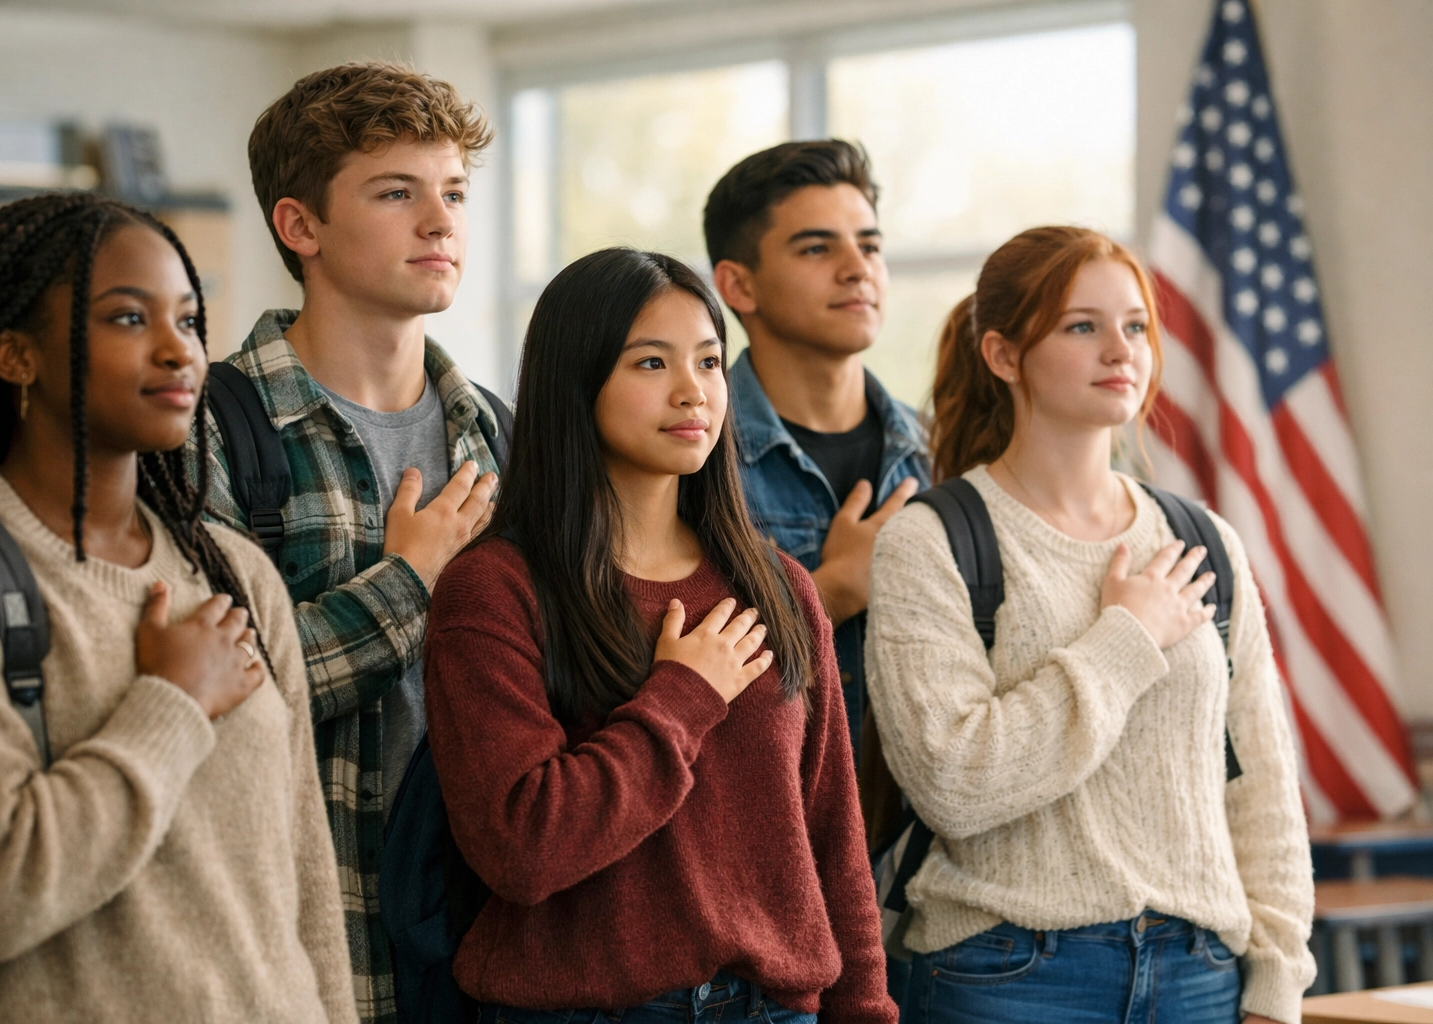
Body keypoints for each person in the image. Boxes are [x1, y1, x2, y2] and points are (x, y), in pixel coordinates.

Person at [0, 193, 354, 1022]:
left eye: (187, 319)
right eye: (126, 319)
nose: (179, 351)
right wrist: (174, 703)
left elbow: (307, 892)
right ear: (14, 355)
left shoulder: (236, 575)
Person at [421, 248, 896, 1024]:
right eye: (651, 362)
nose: (693, 392)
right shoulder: (496, 590)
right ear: (577, 381)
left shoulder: (775, 585)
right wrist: (682, 699)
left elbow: (833, 842)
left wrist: (866, 1012)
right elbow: (523, 847)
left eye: (709, 362)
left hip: (772, 1011)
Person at [865, 226, 1315, 1024]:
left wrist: (1278, 982)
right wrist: (1125, 642)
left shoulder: (1203, 540)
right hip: (1007, 977)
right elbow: (953, 784)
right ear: (1003, 355)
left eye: (1135, 326)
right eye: (1083, 326)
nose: (1122, 350)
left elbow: (1263, 786)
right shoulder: (930, 540)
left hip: (1200, 975)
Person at [195, 62, 503, 1020]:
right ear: (301, 226)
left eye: (452, 192)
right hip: (309, 933)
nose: (440, 221)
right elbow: (218, 700)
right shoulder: (209, 427)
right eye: (395, 192)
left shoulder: (499, 431)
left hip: (488, 933)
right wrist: (410, 582)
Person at [703, 139, 929, 759]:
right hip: (776, 838)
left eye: (871, 244)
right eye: (817, 247)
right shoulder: (691, 461)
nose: (858, 267)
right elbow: (661, 689)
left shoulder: (940, 451)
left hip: (921, 845)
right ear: (738, 285)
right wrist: (835, 588)